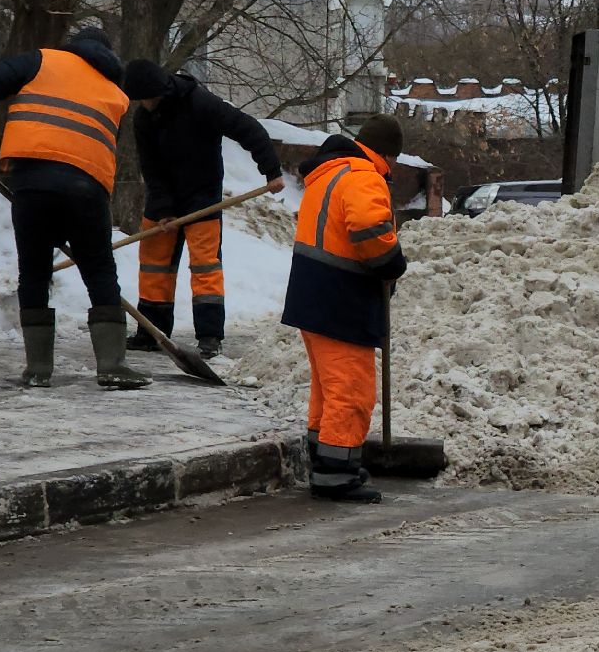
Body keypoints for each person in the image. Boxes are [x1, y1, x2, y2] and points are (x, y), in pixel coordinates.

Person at [0, 25, 154, 390]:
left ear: (73, 47)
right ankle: (112, 364)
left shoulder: (41, 61)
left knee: (34, 271)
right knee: (99, 270)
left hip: (32, 182)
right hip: (87, 187)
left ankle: (37, 369)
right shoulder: (117, 92)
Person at [280, 115, 408, 503]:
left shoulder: (330, 172)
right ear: (389, 154)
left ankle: (327, 461)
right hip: (341, 296)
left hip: (313, 293)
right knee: (351, 389)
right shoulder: (363, 175)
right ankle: (336, 475)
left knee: (328, 388)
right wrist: (391, 263)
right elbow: (368, 228)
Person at [121, 60, 285, 359]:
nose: (144, 104)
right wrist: (164, 209)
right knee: (154, 263)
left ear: (160, 91)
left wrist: (271, 171)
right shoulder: (143, 118)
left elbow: (248, 129)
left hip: (202, 195)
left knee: (204, 266)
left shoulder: (200, 102)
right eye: (140, 100)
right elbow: (151, 167)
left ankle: (209, 336)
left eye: (148, 98)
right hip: (163, 196)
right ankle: (151, 332)